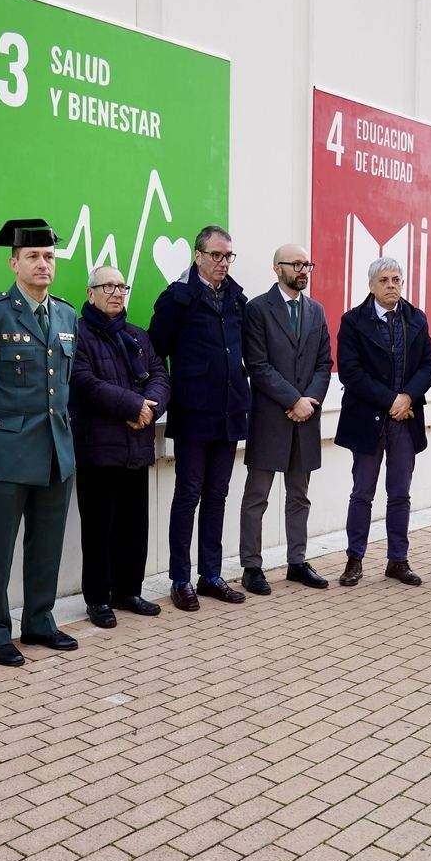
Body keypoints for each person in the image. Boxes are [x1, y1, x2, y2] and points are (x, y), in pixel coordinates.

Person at [0, 219, 79, 665]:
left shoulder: (66, 314)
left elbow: (64, 385)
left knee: (47, 543)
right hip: (7, 454)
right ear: (14, 263)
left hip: (55, 453)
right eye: (33, 256)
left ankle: (40, 621)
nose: (43, 264)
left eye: (48, 256)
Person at [148, 225, 252, 611]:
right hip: (194, 413)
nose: (223, 263)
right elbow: (155, 349)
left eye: (228, 256)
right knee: (188, 496)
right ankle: (181, 578)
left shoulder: (236, 299)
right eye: (216, 256)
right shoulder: (178, 298)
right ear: (198, 256)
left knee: (218, 495)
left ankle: (211, 575)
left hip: (229, 411)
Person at [69, 265, 170, 627]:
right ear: (90, 293)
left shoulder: (138, 336)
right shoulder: (78, 335)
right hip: (98, 449)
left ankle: (129, 591)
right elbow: (83, 382)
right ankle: (98, 599)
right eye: (107, 286)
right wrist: (133, 406)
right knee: (99, 528)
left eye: (121, 286)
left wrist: (149, 406)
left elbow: (159, 375)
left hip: (136, 446)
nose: (115, 292)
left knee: (133, 525)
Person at [334, 257, 431, 587]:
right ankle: (354, 560)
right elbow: (351, 373)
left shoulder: (415, 319)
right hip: (368, 418)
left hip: (405, 421)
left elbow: (428, 365)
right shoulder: (352, 321)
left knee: (400, 494)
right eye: (385, 280)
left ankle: (398, 560)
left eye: (397, 279)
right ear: (371, 285)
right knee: (362, 492)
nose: (392, 285)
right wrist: (391, 400)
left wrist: (407, 396)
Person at [239, 244, 333, 594]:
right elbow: (258, 365)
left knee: (299, 496)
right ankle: (252, 566)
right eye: (296, 264)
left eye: (307, 263)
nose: (303, 269)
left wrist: (309, 401)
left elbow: (325, 363)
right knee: (257, 496)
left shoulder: (316, 311)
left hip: (306, 417)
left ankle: (297, 561)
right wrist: (293, 399)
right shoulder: (258, 310)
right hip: (270, 418)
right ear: (276, 268)